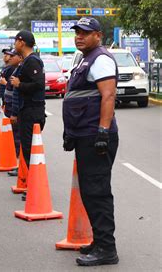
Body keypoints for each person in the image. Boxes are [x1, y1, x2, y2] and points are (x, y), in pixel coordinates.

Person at [63, 17, 119, 266]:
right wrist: (71, 133)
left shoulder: (101, 59)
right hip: (84, 135)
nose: (79, 36)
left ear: (98, 35)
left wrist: (103, 133)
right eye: (77, 32)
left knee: (97, 193)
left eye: (85, 33)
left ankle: (107, 249)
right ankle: (100, 241)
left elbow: (108, 96)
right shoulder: (85, 59)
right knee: (90, 192)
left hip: (96, 135)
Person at [10, 30, 45, 169]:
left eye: (15, 41)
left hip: (32, 111)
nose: (14, 44)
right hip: (26, 110)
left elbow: (39, 84)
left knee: (30, 149)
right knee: (27, 148)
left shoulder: (32, 61)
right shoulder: (27, 61)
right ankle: (30, 181)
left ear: (21, 42)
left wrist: (19, 84)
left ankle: (35, 183)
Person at [2, 50, 23, 176]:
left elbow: (16, 89)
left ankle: (20, 162)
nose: (8, 58)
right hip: (10, 104)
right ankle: (18, 161)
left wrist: (14, 112)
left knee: (18, 136)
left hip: (17, 108)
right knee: (15, 134)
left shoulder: (17, 70)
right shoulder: (12, 69)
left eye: (10, 55)